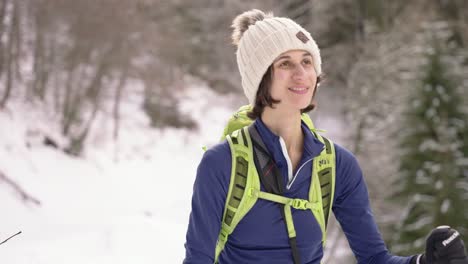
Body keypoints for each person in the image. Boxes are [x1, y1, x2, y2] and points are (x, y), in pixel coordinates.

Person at [183, 9, 468, 264]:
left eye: (307, 61)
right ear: (260, 78)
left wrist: (424, 263)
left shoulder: (336, 165)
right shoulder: (222, 163)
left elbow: (374, 258)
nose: (301, 74)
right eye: (285, 64)